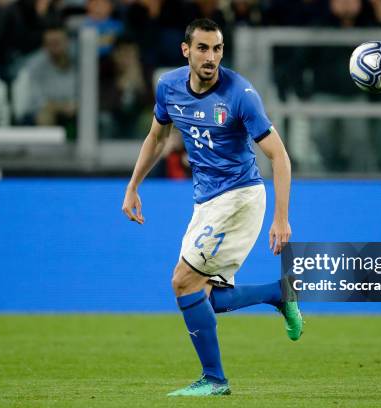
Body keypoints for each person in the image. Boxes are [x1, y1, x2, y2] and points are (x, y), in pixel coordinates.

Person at [121, 18, 303, 396]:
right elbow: (157, 137)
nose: (211, 57)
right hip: (205, 200)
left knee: (182, 281)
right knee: (203, 296)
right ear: (186, 50)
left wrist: (281, 218)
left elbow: (280, 157)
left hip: (239, 196)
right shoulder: (169, 87)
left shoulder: (240, 94)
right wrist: (133, 185)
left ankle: (215, 380)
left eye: (217, 49)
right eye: (202, 48)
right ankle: (278, 292)